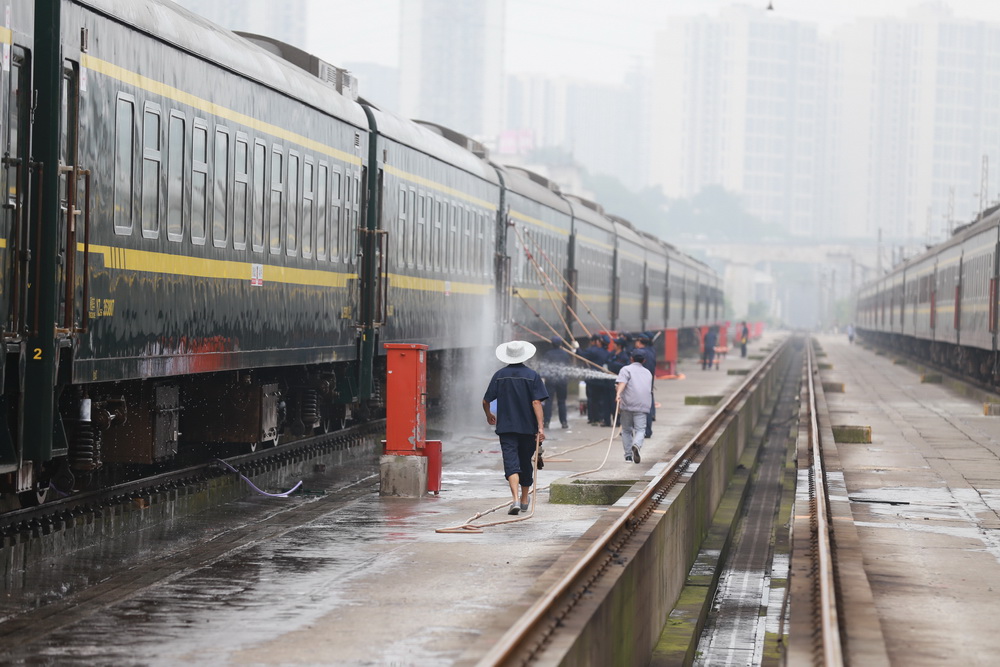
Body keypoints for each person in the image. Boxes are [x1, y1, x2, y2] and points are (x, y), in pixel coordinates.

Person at [483, 340, 548, 515]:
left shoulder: (499, 375)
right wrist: (541, 428)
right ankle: (525, 498)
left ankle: (515, 500)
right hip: (528, 428)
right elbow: (536, 402)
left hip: (506, 428)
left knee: (511, 463)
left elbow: (486, 400)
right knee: (525, 461)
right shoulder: (532, 375)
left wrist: (488, 414)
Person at [615, 350, 653, 463]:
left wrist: (618, 394)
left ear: (631, 358)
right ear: (644, 360)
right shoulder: (648, 373)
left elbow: (622, 383)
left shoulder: (626, 369)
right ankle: (636, 445)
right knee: (641, 430)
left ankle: (628, 456)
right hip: (642, 406)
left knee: (626, 430)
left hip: (627, 405)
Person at [540, 337, 571, 429]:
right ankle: (564, 422)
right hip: (562, 381)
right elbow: (568, 367)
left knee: (549, 401)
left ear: (552, 344)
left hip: (550, 381)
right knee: (562, 401)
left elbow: (544, 367)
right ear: (560, 344)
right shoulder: (565, 354)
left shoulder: (548, 354)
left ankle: (546, 422)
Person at [580, 334, 610, 425]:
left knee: (592, 399)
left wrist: (576, 349)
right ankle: (601, 417)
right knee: (601, 400)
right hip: (603, 380)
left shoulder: (594, 351)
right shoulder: (608, 353)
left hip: (593, 380)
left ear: (598, 342)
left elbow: (581, 355)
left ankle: (593, 418)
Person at [633, 336, 657, 437]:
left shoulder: (640, 353)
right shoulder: (651, 352)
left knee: (639, 409)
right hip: (648, 383)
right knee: (647, 407)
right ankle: (647, 431)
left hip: (640, 384)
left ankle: (643, 431)